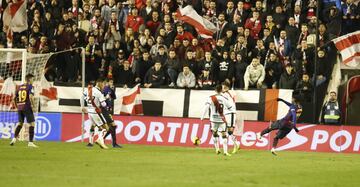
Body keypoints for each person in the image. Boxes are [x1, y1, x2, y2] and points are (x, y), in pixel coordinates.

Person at [201, 85, 233, 156]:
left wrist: (202, 117)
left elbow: (206, 107)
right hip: (221, 119)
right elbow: (230, 107)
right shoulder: (224, 98)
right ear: (221, 90)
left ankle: (217, 149)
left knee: (215, 134)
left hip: (213, 119)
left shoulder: (211, 98)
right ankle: (225, 152)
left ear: (215, 90)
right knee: (224, 134)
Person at [10, 74, 38, 147]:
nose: (33, 81)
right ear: (29, 79)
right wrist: (34, 106)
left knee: (20, 123)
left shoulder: (19, 87)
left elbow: (13, 98)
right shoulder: (30, 87)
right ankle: (30, 142)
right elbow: (30, 97)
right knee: (32, 124)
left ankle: (14, 139)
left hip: (20, 108)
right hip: (27, 107)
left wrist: (17, 107)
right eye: (32, 79)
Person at [82, 78, 109, 149]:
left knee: (94, 126)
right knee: (106, 128)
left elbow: (82, 97)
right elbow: (103, 104)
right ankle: (99, 140)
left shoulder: (88, 89)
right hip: (96, 112)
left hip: (89, 111)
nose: (104, 86)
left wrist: (82, 106)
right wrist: (106, 98)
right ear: (99, 83)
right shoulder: (99, 93)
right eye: (103, 84)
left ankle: (92, 142)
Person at [102, 79, 122, 148]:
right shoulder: (104, 89)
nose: (111, 83)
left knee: (112, 127)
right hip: (105, 111)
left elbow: (114, 97)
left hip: (109, 110)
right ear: (107, 82)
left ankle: (113, 143)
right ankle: (103, 140)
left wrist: (112, 90)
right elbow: (101, 100)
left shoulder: (110, 89)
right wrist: (105, 97)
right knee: (112, 126)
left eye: (112, 82)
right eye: (110, 82)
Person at [222, 81, 240, 154]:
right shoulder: (226, 93)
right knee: (227, 131)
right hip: (226, 113)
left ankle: (236, 144)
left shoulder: (229, 93)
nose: (223, 88)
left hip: (231, 113)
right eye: (223, 86)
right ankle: (236, 144)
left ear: (227, 87)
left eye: (224, 86)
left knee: (230, 131)